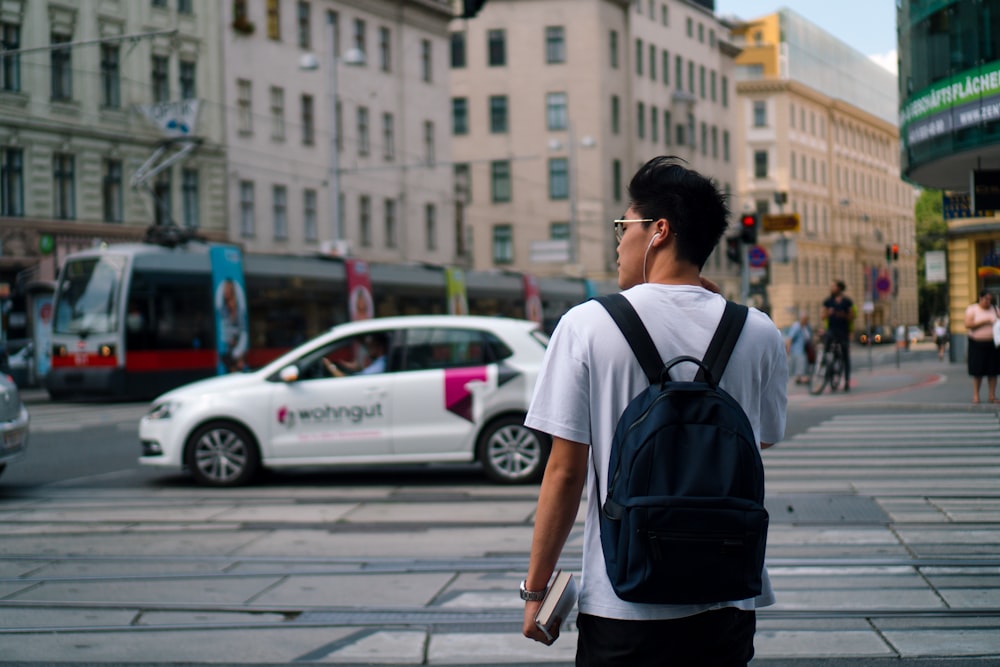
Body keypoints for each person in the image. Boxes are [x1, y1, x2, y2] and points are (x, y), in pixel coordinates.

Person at [520, 156, 787, 665]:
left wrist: (536, 593)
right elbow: (759, 440)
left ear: (659, 230)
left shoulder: (586, 325)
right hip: (727, 599)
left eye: (624, 226)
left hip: (623, 607)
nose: (618, 241)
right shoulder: (758, 331)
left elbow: (564, 470)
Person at [963, 290, 999, 404]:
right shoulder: (972, 309)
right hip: (977, 343)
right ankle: (976, 396)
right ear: (980, 298)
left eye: (990, 300)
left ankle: (992, 396)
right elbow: (968, 324)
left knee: (993, 371)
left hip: (992, 344)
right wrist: (985, 322)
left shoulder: (994, 309)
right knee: (977, 371)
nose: (988, 302)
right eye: (986, 299)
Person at [821, 280, 855, 391]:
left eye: (834, 286)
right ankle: (824, 369)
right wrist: (828, 313)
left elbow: (851, 316)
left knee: (845, 356)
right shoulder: (828, 301)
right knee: (826, 351)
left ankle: (846, 381)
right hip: (831, 331)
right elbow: (822, 315)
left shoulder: (847, 302)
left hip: (843, 332)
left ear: (839, 288)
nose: (831, 288)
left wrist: (843, 315)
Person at [785, 312, 812, 384]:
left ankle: (800, 377)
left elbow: (809, 337)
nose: (806, 321)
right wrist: (788, 349)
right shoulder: (797, 326)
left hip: (804, 349)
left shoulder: (806, 327)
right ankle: (800, 377)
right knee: (800, 362)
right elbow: (790, 338)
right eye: (805, 319)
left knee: (803, 363)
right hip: (797, 349)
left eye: (807, 319)